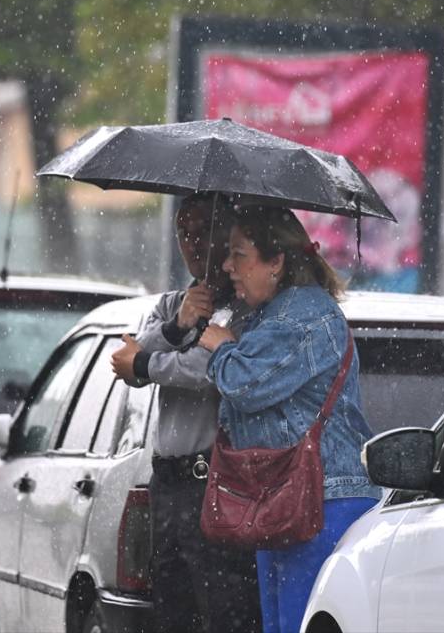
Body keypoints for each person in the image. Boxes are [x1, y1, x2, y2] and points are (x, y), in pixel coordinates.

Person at [198, 205, 381, 633]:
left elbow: (246, 385)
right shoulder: (271, 314)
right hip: (286, 500)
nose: (228, 267)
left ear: (276, 261)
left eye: (239, 255)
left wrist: (223, 347)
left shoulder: (303, 316)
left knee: (299, 623)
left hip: (323, 500)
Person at [110, 193, 261, 633]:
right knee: (171, 608)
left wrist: (145, 362)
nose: (193, 243)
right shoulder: (169, 305)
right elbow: (132, 359)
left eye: (204, 232)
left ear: (227, 238)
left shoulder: (245, 308)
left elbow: (204, 371)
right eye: (184, 234)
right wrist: (177, 326)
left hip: (212, 480)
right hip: (167, 481)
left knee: (221, 608)